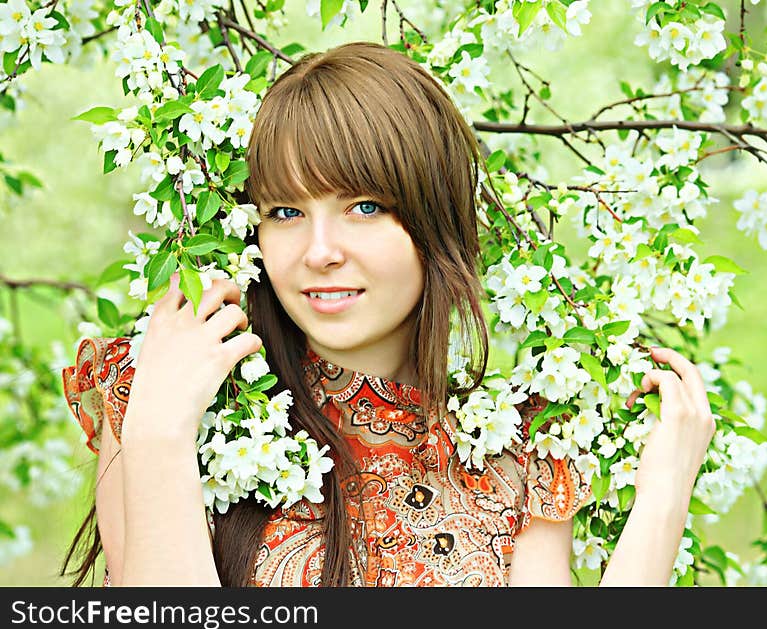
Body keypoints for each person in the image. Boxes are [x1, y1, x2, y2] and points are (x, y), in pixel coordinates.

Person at [60, 41, 716, 587]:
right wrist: (158, 434)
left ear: (433, 219)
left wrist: (662, 494)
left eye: (365, 206)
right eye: (286, 212)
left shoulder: (516, 448)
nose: (319, 252)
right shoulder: (167, 396)